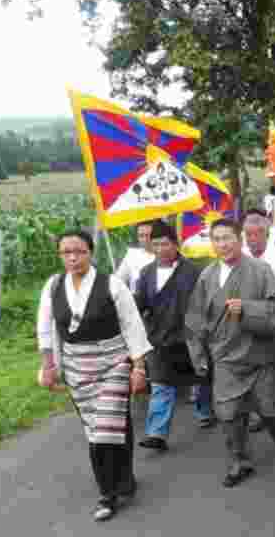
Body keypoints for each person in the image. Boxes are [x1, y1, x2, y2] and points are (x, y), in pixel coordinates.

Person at [37, 230, 152, 521]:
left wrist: (139, 367)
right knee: (103, 428)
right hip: (78, 369)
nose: (73, 257)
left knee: (105, 430)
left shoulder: (111, 285)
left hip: (113, 363)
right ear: (60, 255)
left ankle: (107, 494)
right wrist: (48, 364)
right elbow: (46, 328)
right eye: (66, 252)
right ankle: (123, 479)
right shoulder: (53, 286)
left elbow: (132, 325)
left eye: (79, 251)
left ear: (90, 253)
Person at [185, 219, 275, 488]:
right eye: (217, 239)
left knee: (269, 411)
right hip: (225, 359)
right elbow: (196, 317)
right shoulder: (207, 276)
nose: (223, 244)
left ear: (240, 239)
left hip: (260, 357)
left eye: (228, 238)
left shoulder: (260, 270)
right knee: (229, 414)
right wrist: (197, 353)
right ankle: (240, 460)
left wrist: (247, 309)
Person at [134, 220, 209, 452]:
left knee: (200, 377)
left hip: (190, 336)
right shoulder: (146, 273)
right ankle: (157, 433)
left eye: (165, 243)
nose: (160, 249)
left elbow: (203, 303)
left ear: (175, 245)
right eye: (155, 244)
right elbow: (141, 302)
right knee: (161, 384)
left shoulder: (193, 272)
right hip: (159, 338)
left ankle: (204, 410)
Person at [243, 211, 275, 410]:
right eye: (248, 235)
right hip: (249, 316)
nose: (251, 239)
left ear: (266, 235)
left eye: (256, 234)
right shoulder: (241, 256)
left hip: (274, 314)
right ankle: (259, 405)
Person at [114, 221, 156, 292]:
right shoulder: (132, 255)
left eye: (148, 235)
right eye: (141, 236)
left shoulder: (165, 255)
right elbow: (118, 280)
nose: (145, 239)